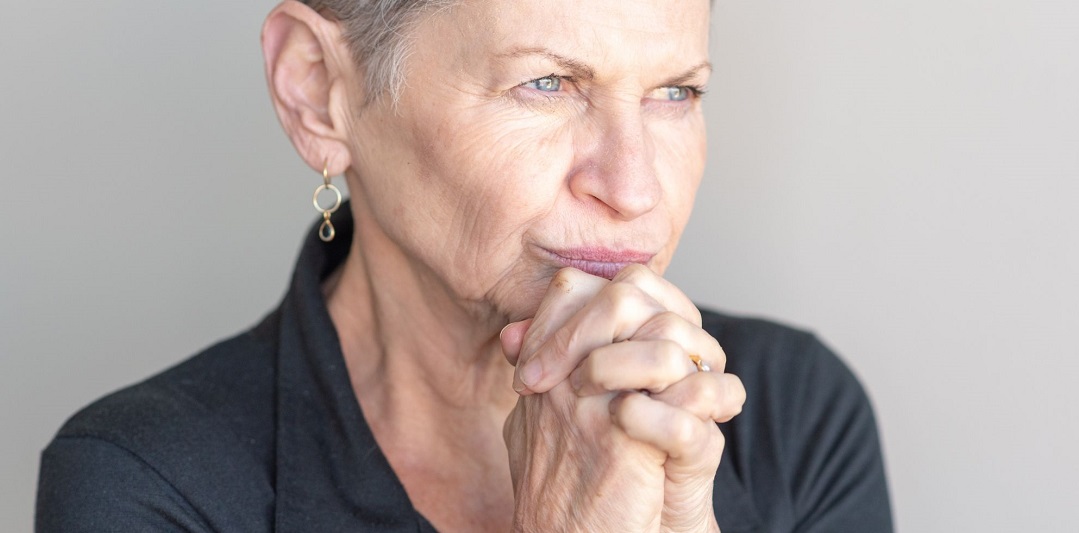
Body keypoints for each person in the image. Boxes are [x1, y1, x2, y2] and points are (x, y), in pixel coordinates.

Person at [36, 0, 893, 531]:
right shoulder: (148, 480)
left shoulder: (792, 416)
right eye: (548, 84)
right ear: (317, 90)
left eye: (676, 92)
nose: (632, 187)